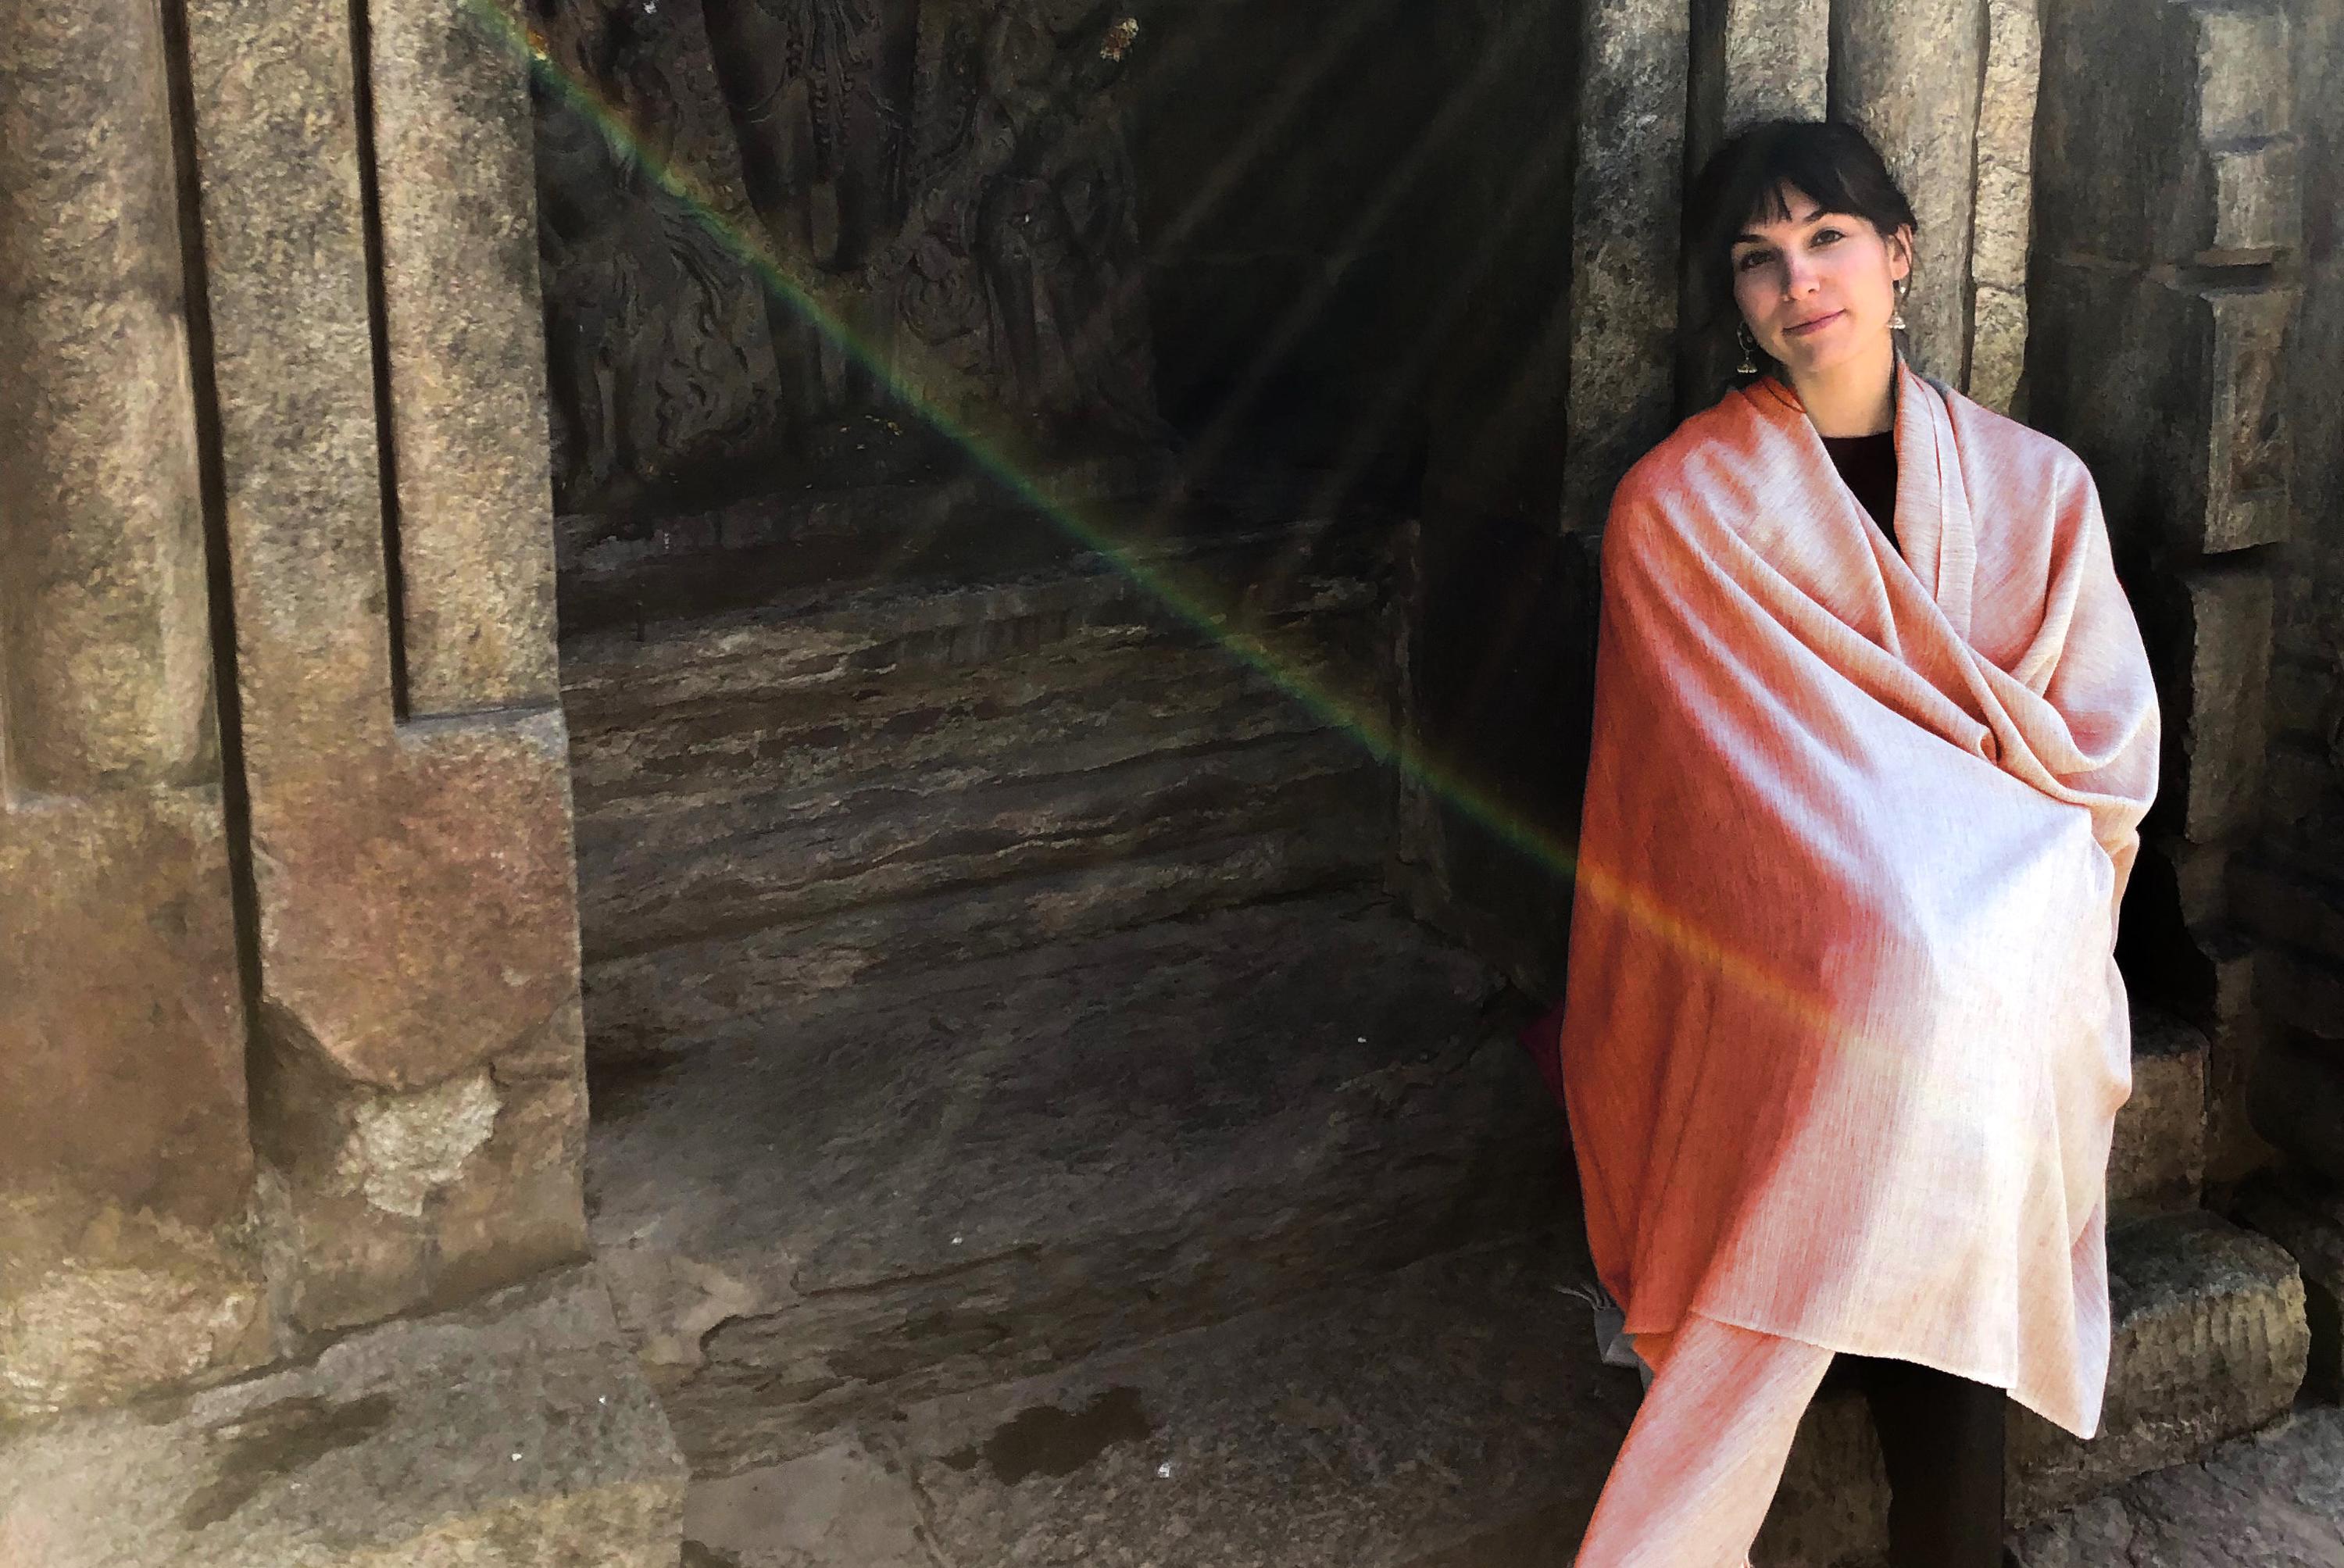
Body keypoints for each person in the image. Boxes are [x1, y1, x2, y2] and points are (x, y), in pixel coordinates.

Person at [1525, 119, 2162, 1566]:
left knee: (1961, 985)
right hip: (1790, 939)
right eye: (1759, 259)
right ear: (1732, 299)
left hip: (2007, 924)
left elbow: (2106, 755)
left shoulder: (2037, 487)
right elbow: (1706, 809)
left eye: (1827, 240)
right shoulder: (1677, 509)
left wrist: (1979, 877)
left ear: (1900, 255)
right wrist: (1903, 893)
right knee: (1901, 976)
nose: (1798, 280)